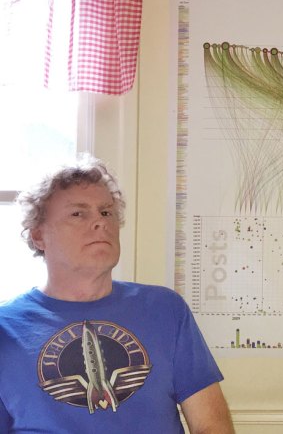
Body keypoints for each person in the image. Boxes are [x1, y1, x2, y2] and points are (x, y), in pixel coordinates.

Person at [0, 155, 234, 433]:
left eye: (106, 212)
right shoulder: (6, 328)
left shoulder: (165, 309)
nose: (100, 223)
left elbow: (211, 425)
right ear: (38, 236)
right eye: (78, 214)